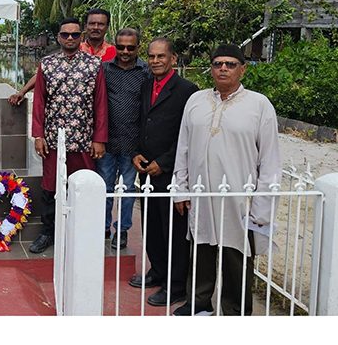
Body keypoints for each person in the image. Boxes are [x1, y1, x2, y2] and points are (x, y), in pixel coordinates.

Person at [172, 44, 281, 316]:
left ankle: (234, 313)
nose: (223, 68)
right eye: (218, 63)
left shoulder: (259, 105)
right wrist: (181, 189)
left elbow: (269, 160)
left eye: (230, 64)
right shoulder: (196, 101)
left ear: (242, 69)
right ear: (211, 68)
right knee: (200, 251)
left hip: (239, 198)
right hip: (201, 194)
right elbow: (182, 148)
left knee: (237, 257)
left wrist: (262, 206)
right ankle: (198, 305)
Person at [127, 37, 198, 307]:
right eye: (152, 57)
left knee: (174, 230)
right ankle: (157, 270)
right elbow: (140, 121)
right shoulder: (146, 85)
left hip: (171, 171)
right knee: (152, 225)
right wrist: (135, 152)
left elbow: (186, 134)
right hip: (145, 168)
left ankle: (176, 285)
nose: (156, 61)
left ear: (173, 59)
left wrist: (165, 162)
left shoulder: (187, 90)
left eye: (161, 57)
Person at [29, 17, 107, 254]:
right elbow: (40, 101)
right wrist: (38, 135)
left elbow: (101, 104)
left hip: (83, 138)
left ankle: (83, 234)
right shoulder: (47, 64)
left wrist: (99, 138)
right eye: (65, 35)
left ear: (81, 36)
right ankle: (48, 232)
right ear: (59, 37)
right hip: (55, 139)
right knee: (51, 186)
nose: (70, 39)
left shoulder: (94, 65)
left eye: (75, 35)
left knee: (83, 186)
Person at [97, 28, 149, 250]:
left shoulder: (146, 71)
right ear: (115, 46)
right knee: (105, 188)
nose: (125, 51)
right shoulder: (104, 69)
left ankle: (123, 230)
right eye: (121, 47)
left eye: (130, 47)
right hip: (107, 141)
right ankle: (103, 227)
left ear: (138, 47)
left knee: (128, 190)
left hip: (133, 143)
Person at [8, 8, 116, 105]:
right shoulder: (72, 50)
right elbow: (45, 72)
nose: (96, 27)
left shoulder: (115, 53)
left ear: (107, 27)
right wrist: (22, 92)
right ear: (85, 26)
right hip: (75, 108)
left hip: (106, 106)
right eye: (92, 23)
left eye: (101, 24)